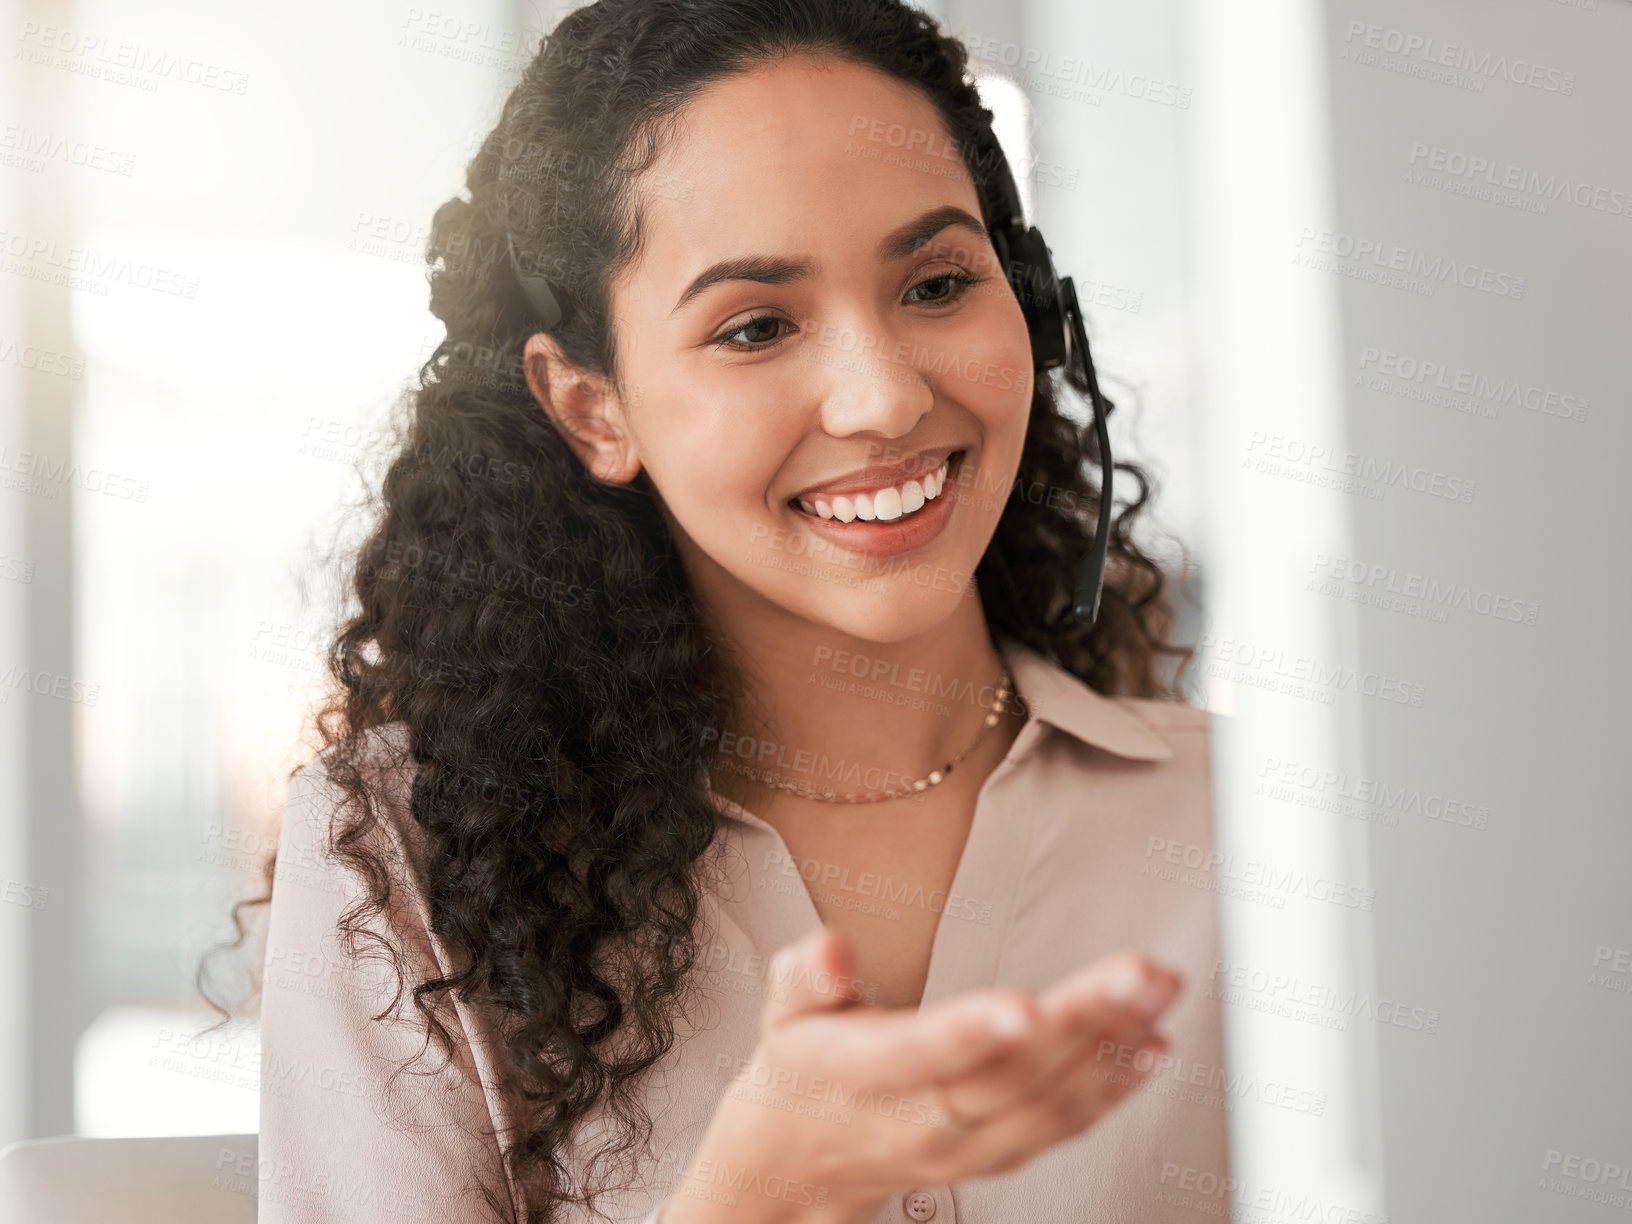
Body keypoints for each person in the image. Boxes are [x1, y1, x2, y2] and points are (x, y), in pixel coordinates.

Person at [251, 1, 1228, 1221]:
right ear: (592, 406)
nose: (881, 398)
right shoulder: (409, 852)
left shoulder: (1253, 832)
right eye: (756, 325)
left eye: (936, 283)